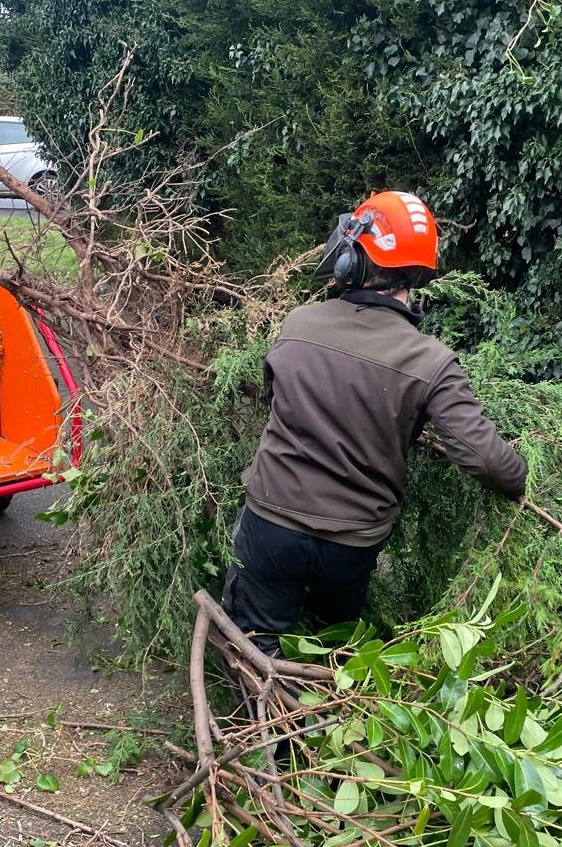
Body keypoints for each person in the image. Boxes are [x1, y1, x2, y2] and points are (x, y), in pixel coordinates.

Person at [224, 189, 527, 651]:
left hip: (273, 520)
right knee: (332, 649)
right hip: (352, 544)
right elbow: (489, 460)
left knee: (252, 643)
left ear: (351, 260)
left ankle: (252, 717)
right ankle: (323, 716)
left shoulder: (299, 324)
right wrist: (525, 479)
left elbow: (274, 399)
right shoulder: (432, 361)